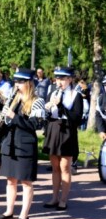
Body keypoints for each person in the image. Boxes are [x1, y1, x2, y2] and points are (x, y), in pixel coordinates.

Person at [0, 68, 45, 219]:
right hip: (10, 144)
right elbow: (8, 121)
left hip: (24, 146)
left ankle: (24, 214)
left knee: (26, 182)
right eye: (15, 81)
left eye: (20, 82)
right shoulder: (13, 99)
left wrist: (13, 116)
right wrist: (1, 121)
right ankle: (9, 210)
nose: (16, 84)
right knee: (10, 180)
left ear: (29, 83)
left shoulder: (37, 101)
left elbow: (34, 125)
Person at [42, 67, 83, 211]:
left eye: (63, 79)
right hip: (53, 128)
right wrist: (46, 110)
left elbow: (76, 119)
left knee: (65, 167)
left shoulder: (75, 95)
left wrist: (60, 106)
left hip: (67, 131)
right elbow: (47, 115)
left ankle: (63, 199)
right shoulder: (52, 93)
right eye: (58, 78)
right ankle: (54, 197)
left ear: (70, 79)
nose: (60, 82)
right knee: (54, 167)